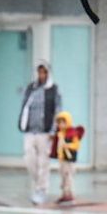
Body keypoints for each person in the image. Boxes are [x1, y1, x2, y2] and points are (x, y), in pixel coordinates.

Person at [18, 64, 61, 204]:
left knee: (44, 162)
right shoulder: (31, 88)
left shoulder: (53, 90)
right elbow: (25, 106)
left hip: (45, 132)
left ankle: (41, 190)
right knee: (28, 158)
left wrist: (53, 131)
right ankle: (39, 185)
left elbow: (58, 111)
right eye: (39, 72)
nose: (41, 75)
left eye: (44, 72)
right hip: (30, 130)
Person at [51, 110, 85, 204]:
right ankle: (64, 194)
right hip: (62, 160)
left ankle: (70, 194)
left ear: (68, 122)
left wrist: (68, 146)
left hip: (69, 160)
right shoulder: (60, 133)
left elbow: (76, 145)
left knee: (68, 176)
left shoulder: (72, 133)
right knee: (63, 177)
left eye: (63, 122)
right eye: (59, 123)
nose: (61, 125)